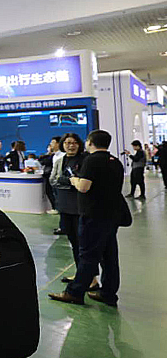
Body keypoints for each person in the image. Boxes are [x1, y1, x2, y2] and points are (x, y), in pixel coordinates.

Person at [49, 130, 124, 307]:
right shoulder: (115, 162)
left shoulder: (91, 160)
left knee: (88, 255)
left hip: (93, 216)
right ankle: (108, 293)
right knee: (109, 256)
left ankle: (74, 292)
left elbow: (84, 187)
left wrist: (74, 180)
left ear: (89, 142)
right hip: (111, 215)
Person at [50, 133, 98, 290]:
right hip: (65, 206)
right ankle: (81, 274)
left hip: (80, 207)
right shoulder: (60, 160)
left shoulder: (85, 160)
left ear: (79, 144)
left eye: (74, 143)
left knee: (84, 244)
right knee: (73, 242)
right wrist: (71, 181)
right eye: (67, 143)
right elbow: (54, 180)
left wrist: (70, 181)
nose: (71, 146)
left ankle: (91, 278)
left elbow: (84, 183)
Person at [39, 137, 61, 214]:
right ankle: (55, 208)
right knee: (51, 192)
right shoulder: (54, 155)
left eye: (53, 142)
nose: (51, 144)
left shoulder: (61, 155)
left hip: (58, 179)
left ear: (58, 144)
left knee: (55, 193)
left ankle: (57, 208)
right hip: (51, 177)